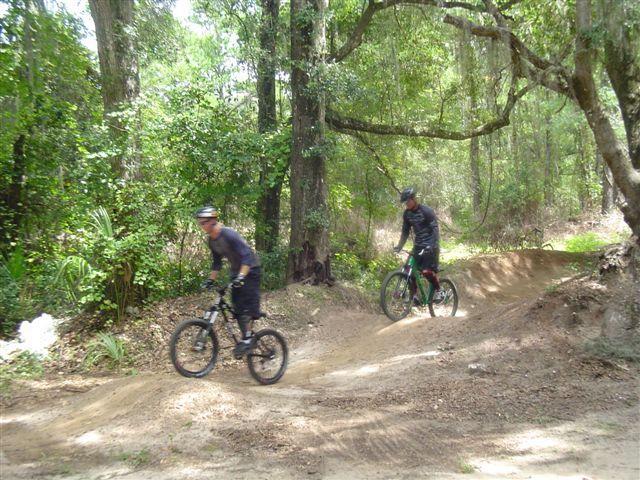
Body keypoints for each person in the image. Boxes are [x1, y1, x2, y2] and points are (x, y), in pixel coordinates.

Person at [196, 206, 261, 357]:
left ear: (212, 221)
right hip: (236, 272)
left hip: (251, 269)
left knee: (247, 304)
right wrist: (210, 280)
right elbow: (217, 262)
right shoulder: (211, 241)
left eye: (203, 222)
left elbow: (246, 256)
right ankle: (247, 339)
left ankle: (249, 337)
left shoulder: (229, 234)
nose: (201, 226)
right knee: (236, 306)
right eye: (200, 223)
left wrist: (241, 276)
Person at [393, 188, 444, 303]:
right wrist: (399, 246)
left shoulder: (427, 211)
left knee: (426, 272)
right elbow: (405, 232)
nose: (406, 204)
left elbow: (435, 230)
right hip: (418, 246)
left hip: (431, 246)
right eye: (405, 203)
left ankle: (439, 291)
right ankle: (414, 296)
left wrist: (431, 245)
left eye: (408, 201)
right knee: (408, 269)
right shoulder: (407, 214)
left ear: (413, 199)